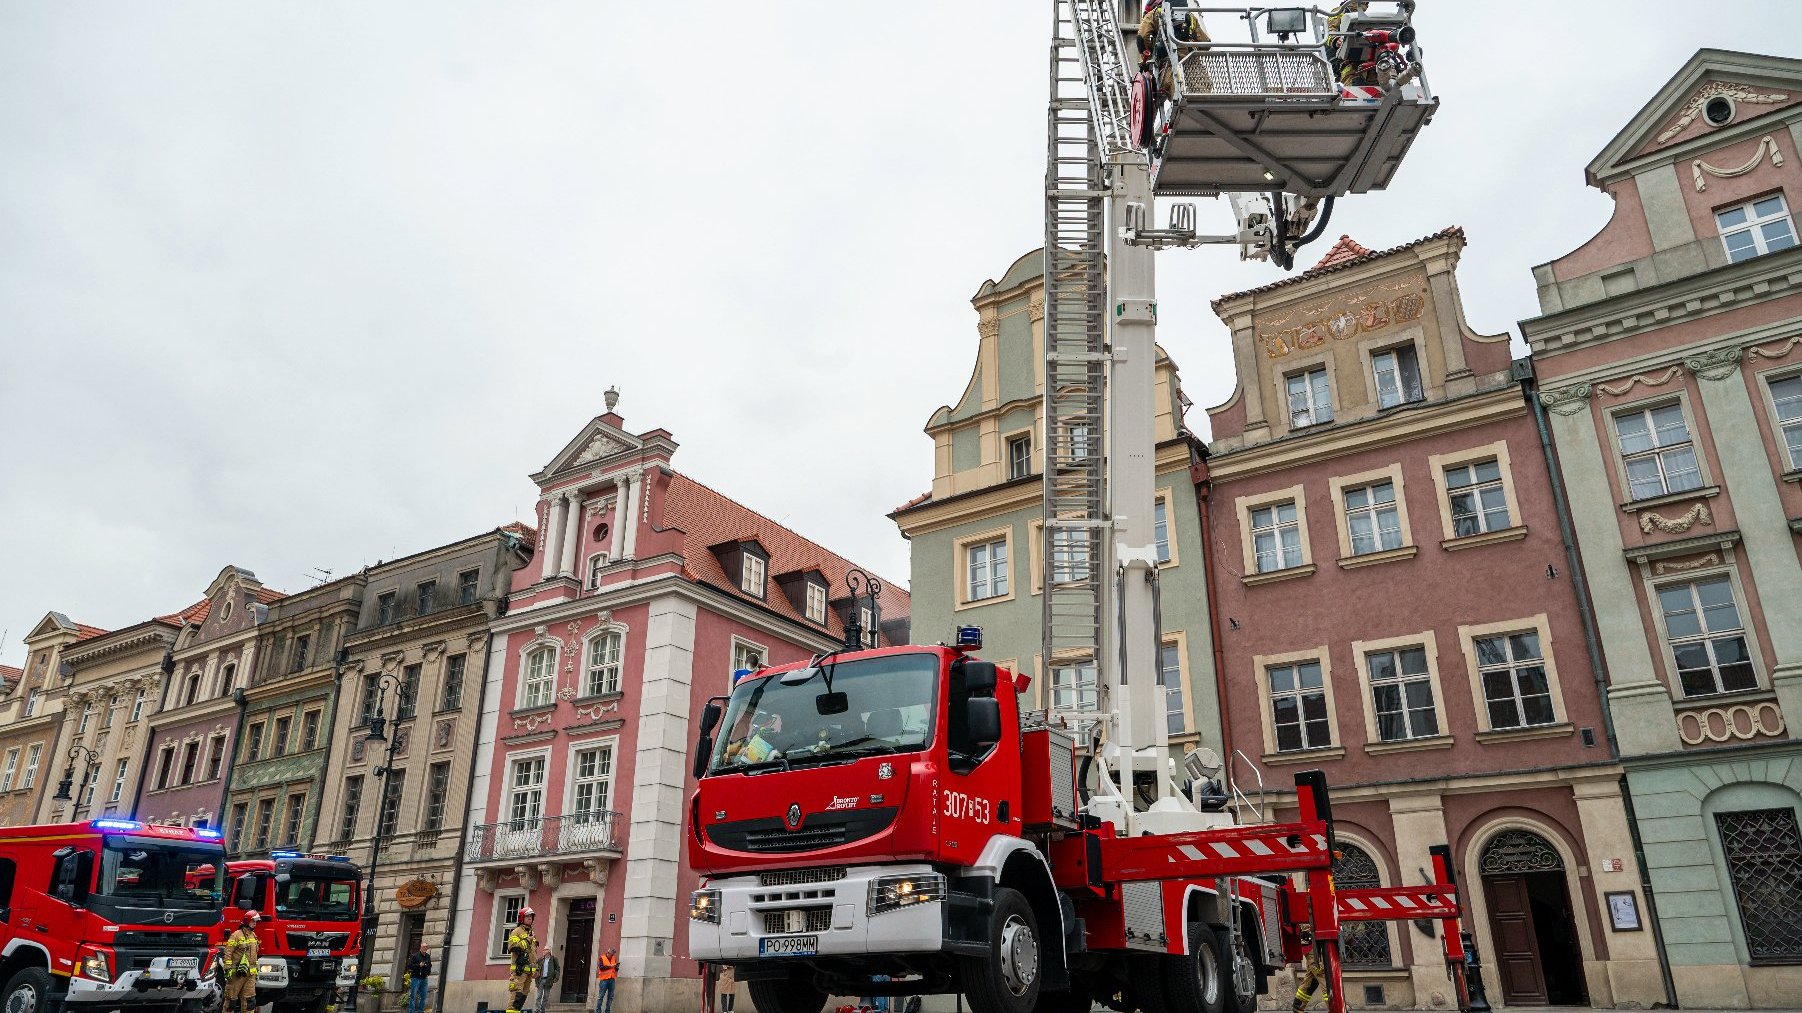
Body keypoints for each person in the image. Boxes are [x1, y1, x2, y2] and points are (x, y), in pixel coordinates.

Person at [223, 911, 261, 1013]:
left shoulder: (254, 935)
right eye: (253, 921)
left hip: (250, 974)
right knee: (231, 1001)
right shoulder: (236, 935)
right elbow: (228, 951)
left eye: (256, 921)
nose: (255, 923)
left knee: (250, 1002)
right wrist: (227, 967)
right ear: (247, 921)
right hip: (237, 974)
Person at [504, 907, 538, 1013]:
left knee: (523, 995)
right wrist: (527, 940)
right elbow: (512, 947)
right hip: (519, 970)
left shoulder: (531, 933)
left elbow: (533, 953)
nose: (530, 919)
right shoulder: (516, 932)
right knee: (516, 995)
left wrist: (536, 969)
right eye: (527, 917)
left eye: (531, 917)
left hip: (528, 972)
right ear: (522, 918)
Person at [405, 943, 433, 1013]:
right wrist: (419, 965)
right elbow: (409, 966)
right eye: (423, 947)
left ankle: (420, 1011)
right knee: (413, 996)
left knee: (423, 996)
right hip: (415, 978)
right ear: (420, 947)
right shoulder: (415, 956)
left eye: (426, 947)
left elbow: (430, 965)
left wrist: (428, 973)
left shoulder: (427, 956)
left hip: (424, 979)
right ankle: (411, 1011)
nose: (425, 948)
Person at [593, 947, 618, 1013]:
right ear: (608, 952)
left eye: (613, 954)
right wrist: (610, 966)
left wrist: (616, 967)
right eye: (612, 954)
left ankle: (607, 1011)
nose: (612, 955)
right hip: (604, 980)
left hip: (612, 979)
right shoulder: (602, 958)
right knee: (601, 996)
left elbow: (615, 969)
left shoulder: (614, 958)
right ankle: (598, 1011)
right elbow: (601, 968)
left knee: (610, 997)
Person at [534, 947, 559, 1013]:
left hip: (549, 980)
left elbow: (557, 969)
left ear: (548, 951)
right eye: (543, 950)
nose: (543, 951)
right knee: (539, 996)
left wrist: (556, 978)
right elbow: (535, 965)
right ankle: (537, 1009)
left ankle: (542, 1009)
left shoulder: (554, 959)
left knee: (546, 996)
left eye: (545, 950)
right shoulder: (541, 959)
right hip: (540, 980)